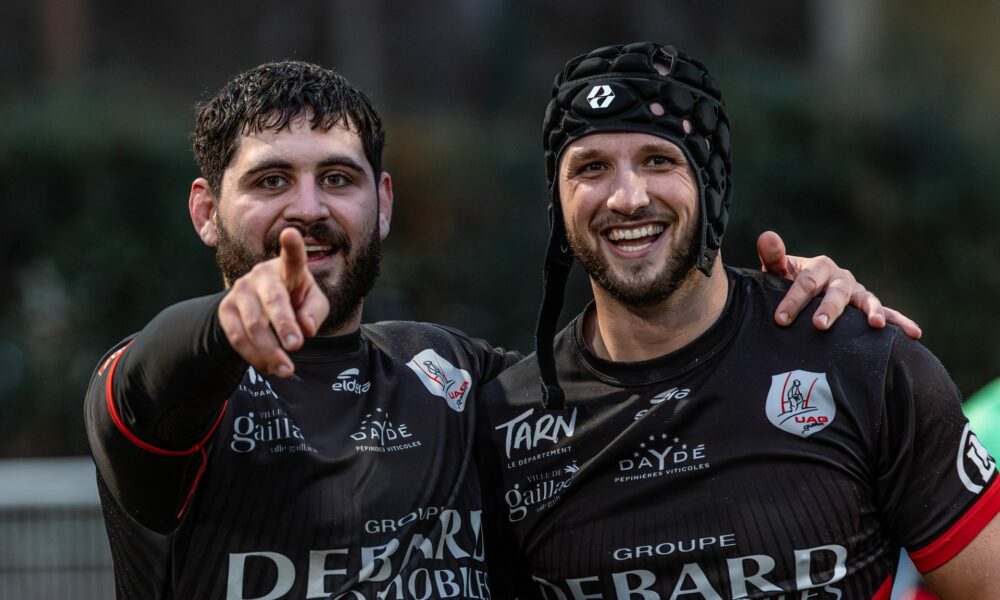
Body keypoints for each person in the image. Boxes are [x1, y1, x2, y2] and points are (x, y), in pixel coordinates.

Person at [85, 60, 917, 599]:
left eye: (336, 178)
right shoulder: (176, 397)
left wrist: (788, 309)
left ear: (382, 202)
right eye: (271, 181)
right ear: (206, 211)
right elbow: (154, 377)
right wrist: (224, 326)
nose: (308, 209)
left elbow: (630, 368)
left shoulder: (457, 376)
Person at [476, 43, 1000, 600]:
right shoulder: (504, 424)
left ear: (712, 181)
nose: (628, 198)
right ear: (558, 202)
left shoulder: (863, 365)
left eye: (658, 160)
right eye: (591, 168)